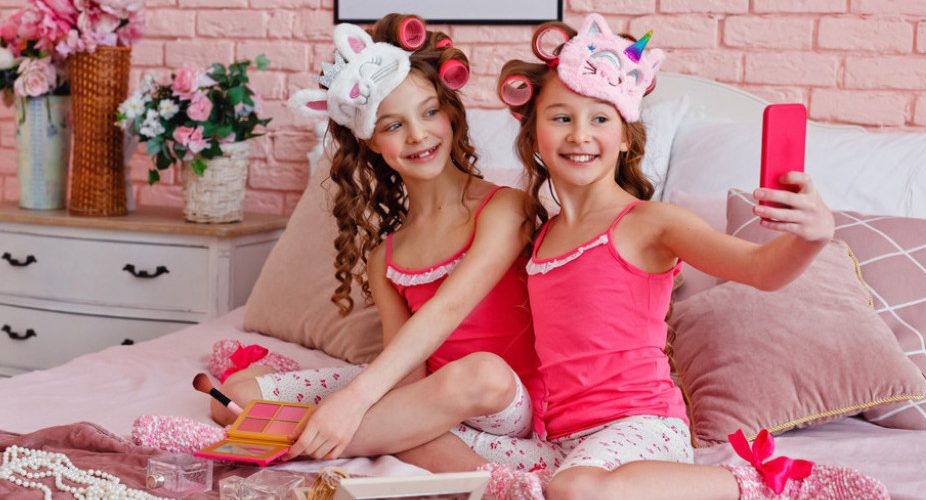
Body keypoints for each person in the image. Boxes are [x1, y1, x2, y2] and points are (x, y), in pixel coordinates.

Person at [449, 13, 889, 499]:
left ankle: (765, 485)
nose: (579, 135)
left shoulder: (650, 222)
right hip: (566, 441)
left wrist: (812, 238)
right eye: (561, 118)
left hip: (645, 429)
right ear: (534, 134)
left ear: (625, 137)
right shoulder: (540, 235)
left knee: (575, 489)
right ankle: (535, 488)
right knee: (430, 440)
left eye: (600, 119)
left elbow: (761, 270)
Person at [211, 14, 551, 493]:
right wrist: (383, 407)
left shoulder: (505, 208)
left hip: (502, 402)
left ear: (451, 114)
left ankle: (287, 441)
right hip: (431, 401)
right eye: (394, 124)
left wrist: (354, 402)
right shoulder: (386, 255)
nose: (418, 135)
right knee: (229, 395)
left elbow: (449, 309)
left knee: (480, 374)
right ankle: (423, 448)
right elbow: (407, 372)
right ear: (370, 139)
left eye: (429, 112)